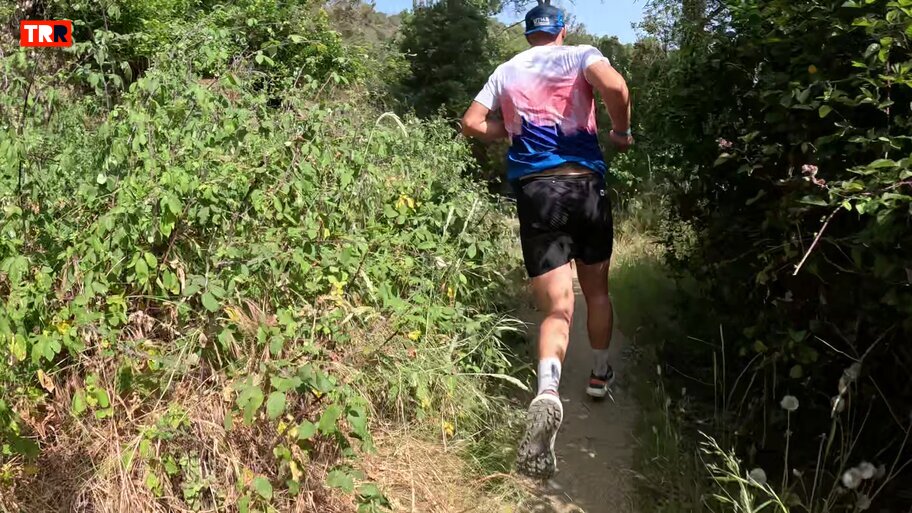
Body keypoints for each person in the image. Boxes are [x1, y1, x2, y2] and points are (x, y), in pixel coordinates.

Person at [460, 3, 632, 479]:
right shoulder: (581, 55)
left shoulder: (506, 70)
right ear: (562, 30)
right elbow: (616, 87)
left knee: (557, 307)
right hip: (585, 186)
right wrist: (621, 132)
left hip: (537, 192)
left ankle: (548, 391)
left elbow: (471, 122)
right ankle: (598, 374)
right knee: (597, 291)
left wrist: (510, 129)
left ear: (526, 34)